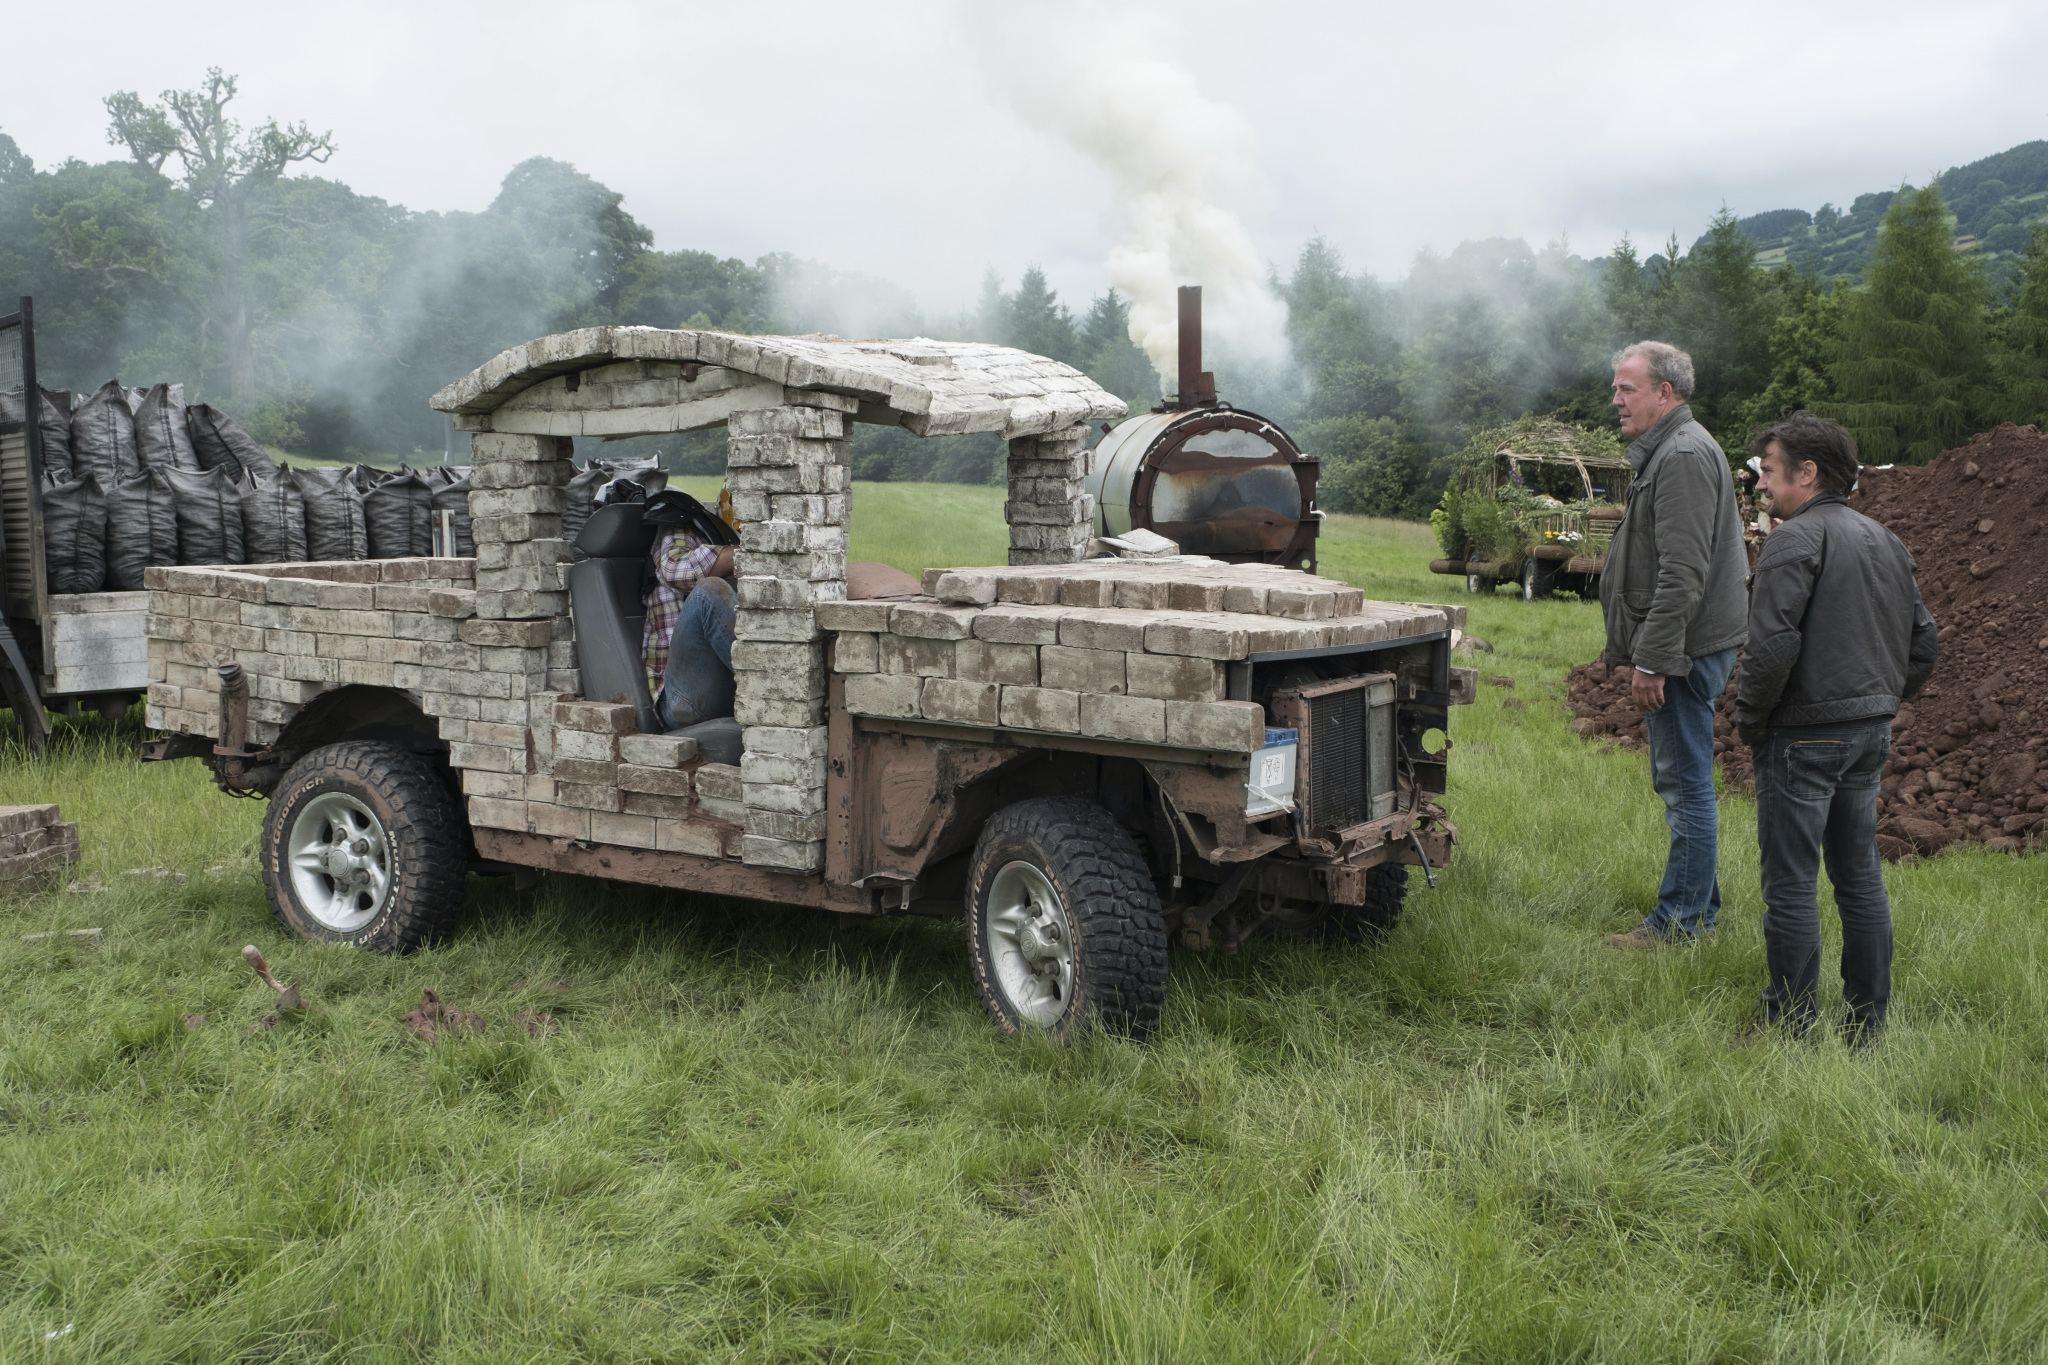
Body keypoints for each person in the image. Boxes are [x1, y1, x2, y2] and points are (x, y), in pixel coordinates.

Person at [1737, 413, 1937, 1045]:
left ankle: (1790, 1024)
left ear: (1808, 472)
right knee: (1859, 876)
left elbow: (1769, 651)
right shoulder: (1887, 541)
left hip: (1802, 736)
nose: (1762, 485)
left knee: (1790, 882)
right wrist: (1880, 698)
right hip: (1869, 733)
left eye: (1768, 471)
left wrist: (1751, 721)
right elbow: (1923, 644)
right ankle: (1866, 1025)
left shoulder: (1793, 542)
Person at [1600, 341, 1751, 948]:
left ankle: (1680, 923)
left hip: (1685, 649)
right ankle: (1699, 908)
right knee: (1683, 778)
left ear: (1666, 392)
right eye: (1615, 387)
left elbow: (1683, 571)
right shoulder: (1674, 449)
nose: (1616, 399)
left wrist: (1654, 658)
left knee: (1684, 783)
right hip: (1690, 643)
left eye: (1627, 388)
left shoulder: (1682, 455)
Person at [643, 517, 737, 731]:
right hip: (682, 700)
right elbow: (674, 570)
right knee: (708, 592)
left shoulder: (728, 531)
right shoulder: (683, 529)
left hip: (724, 689)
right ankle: (771, 688)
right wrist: (753, 551)